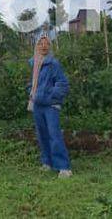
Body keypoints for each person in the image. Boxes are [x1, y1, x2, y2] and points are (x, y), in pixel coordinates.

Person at [28, 36, 72, 178]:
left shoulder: (54, 64)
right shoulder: (34, 63)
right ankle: (47, 162)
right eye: (41, 44)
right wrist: (32, 93)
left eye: (47, 44)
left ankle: (64, 167)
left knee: (54, 135)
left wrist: (50, 96)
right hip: (37, 105)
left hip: (50, 105)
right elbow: (33, 83)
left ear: (50, 47)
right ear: (37, 46)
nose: (44, 46)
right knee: (42, 135)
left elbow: (63, 84)